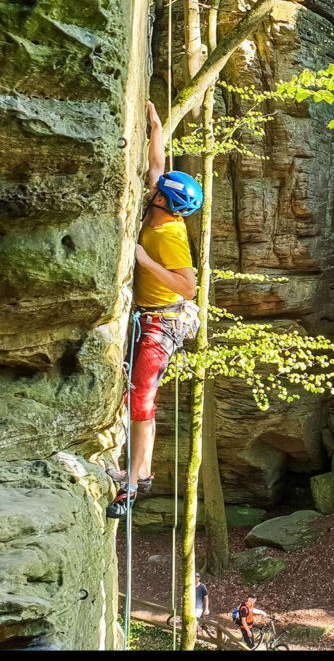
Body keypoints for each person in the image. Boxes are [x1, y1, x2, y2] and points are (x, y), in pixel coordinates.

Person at [106, 101, 203, 518]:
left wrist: (144, 261)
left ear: (166, 203)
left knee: (142, 394)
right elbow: (156, 168)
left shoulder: (169, 235)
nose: (153, 188)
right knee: (138, 393)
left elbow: (188, 286)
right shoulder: (159, 202)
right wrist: (157, 129)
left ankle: (137, 477)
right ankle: (137, 469)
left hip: (163, 322)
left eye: (158, 191)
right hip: (149, 314)